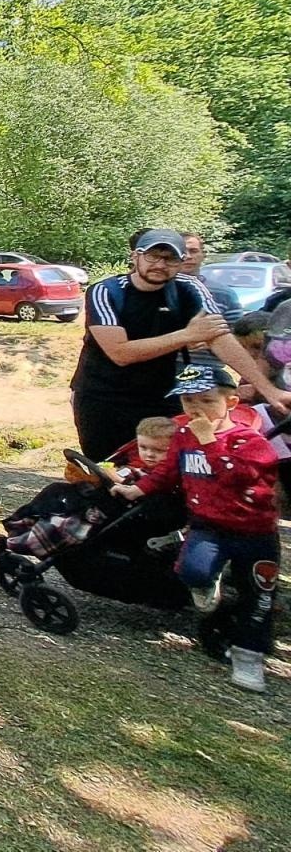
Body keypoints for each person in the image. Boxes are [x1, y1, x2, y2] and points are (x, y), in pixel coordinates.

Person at [112, 364, 280, 692]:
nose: (195, 410)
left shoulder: (249, 440)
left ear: (230, 402)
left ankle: (249, 656)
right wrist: (138, 488)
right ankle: (208, 583)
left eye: (205, 401)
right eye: (188, 402)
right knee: (193, 571)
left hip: (255, 531)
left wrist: (209, 443)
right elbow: (168, 471)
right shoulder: (185, 436)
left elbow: (239, 479)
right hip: (208, 525)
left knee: (259, 596)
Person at [69, 228, 291, 463]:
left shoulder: (189, 288)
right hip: (104, 397)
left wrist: (269, 391)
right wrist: (186, 335)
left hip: (164, 394)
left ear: (181, 261)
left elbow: (219, 338)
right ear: (135, 257)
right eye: (153, 256)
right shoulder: (106, 291)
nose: (160, 264)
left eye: (170, 258)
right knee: (110, 467)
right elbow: (120, 352)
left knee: (172, 465)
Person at [181, 232, 240, 320]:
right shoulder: (159, 290)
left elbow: (237, 332)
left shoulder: (224, 294)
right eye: (182, 252)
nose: (188, 256)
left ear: (203, 255)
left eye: (193, 251)